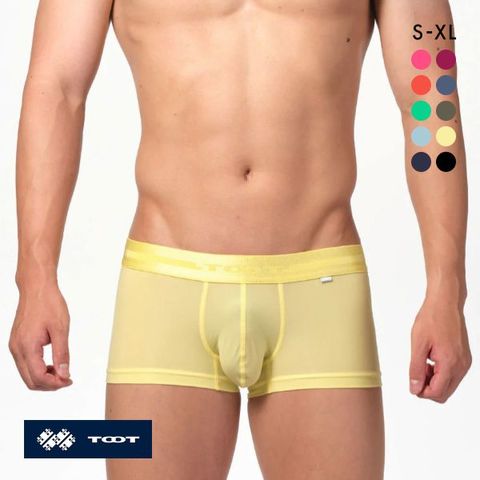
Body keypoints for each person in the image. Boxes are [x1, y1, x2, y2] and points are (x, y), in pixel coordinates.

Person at [9, 0, 472, 478]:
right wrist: (35, 278)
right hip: (166, 292)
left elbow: (431, 100)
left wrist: (447, 289)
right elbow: (56, 89)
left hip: (321, 293)